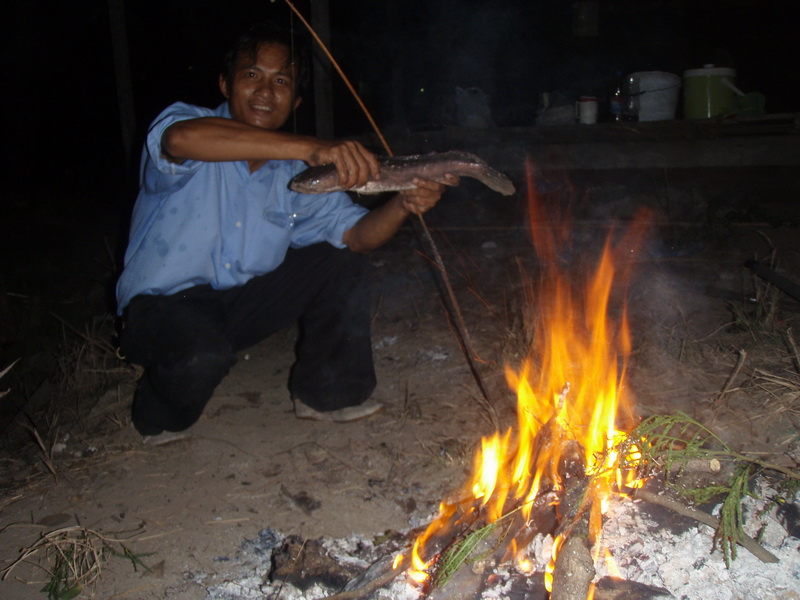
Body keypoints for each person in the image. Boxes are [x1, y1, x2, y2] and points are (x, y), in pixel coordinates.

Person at [116, 22, 457, 437]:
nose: (265, 91)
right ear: (225, 84)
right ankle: (154, 416)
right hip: (161, 307)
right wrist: (312, 147)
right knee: (200, 357)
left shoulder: (295, 173)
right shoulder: (189, 122)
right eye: (252, 75)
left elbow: (357, 235)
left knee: (340, 259)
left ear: (294, 99)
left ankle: (327, 395)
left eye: (281, 81)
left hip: (240, 304)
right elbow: (181, 140)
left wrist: (402, 203)